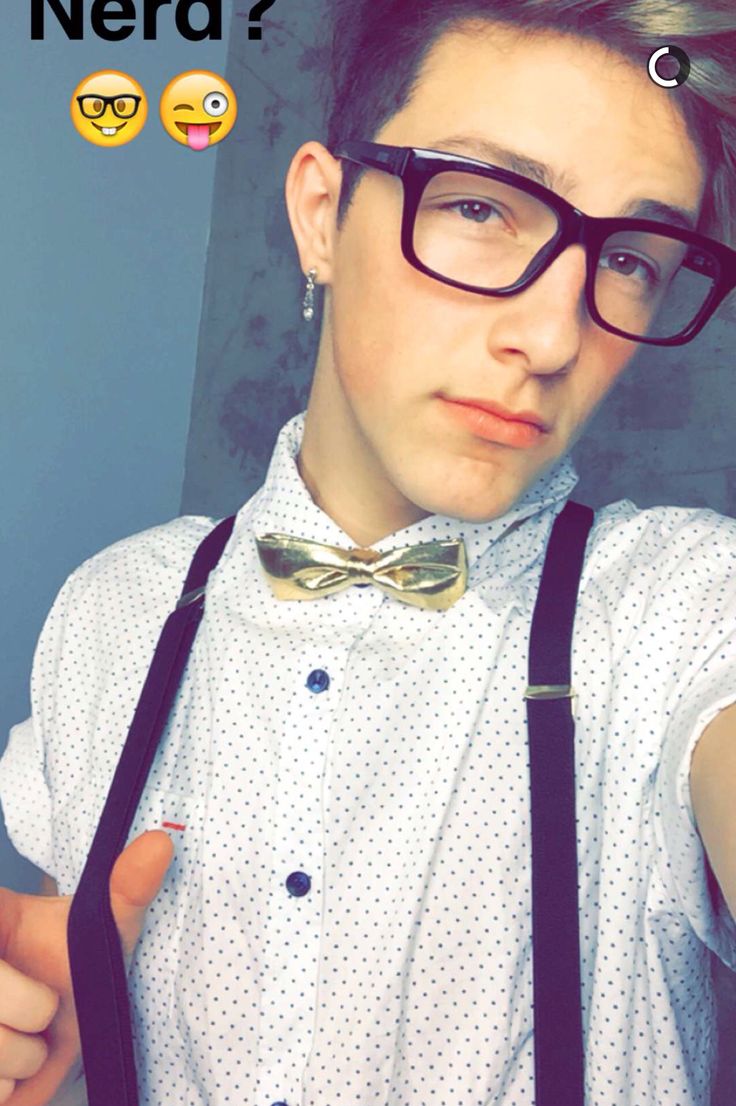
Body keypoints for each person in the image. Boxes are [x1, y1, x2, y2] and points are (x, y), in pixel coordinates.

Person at [1, 1, 736, 1104]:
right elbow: (63, 978)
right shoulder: (112, 609)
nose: (551, 337)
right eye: (481, 205)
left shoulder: (683, 607)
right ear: (320, 215)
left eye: (629, 258)